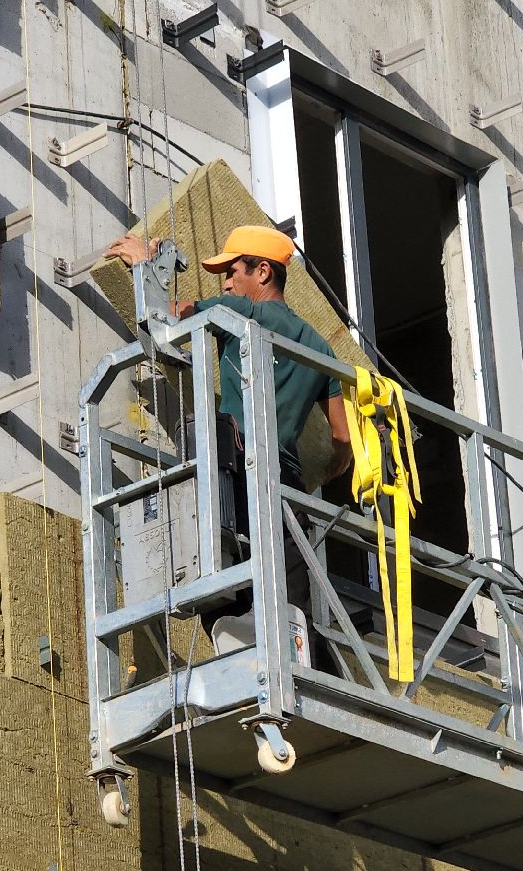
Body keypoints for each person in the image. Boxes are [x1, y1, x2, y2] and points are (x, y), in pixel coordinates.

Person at [106, 225, 353, 622]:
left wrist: (144, 267)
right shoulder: (317, 346)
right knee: (290, 612)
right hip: (285, 490)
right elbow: (342, 436)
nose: (225, 283)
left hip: (239, 475)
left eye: (232, 271)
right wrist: (327, 470)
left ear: (263, 272)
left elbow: (167, 318)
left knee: (224, 600)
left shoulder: (241, 313)